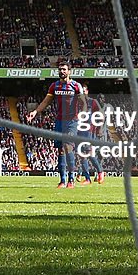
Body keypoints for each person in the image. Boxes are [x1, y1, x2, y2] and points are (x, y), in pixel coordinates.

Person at [27, 59, 85, 188]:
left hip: (72, 121)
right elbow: (46, 102)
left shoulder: (76, 86)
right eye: (60, 69)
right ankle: (62, 180)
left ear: (69, 71)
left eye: (64, 69)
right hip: (59, 121)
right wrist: (35, 112)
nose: (61, 71)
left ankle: (71, 179)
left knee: (67, 146)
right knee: (60, 150)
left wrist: (84, 114)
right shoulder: (54, 86)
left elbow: (83, 103)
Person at [78, 87, 105, 184]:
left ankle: (100, 172)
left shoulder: (92, 102)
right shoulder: (77, 103)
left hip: (90, 131)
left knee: (89, 153)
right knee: (82, 156)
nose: (82, 93)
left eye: (84, 91)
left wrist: (100, 128)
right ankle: (87, 178)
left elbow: (101, 115)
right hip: (79, 131)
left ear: (87, 92)